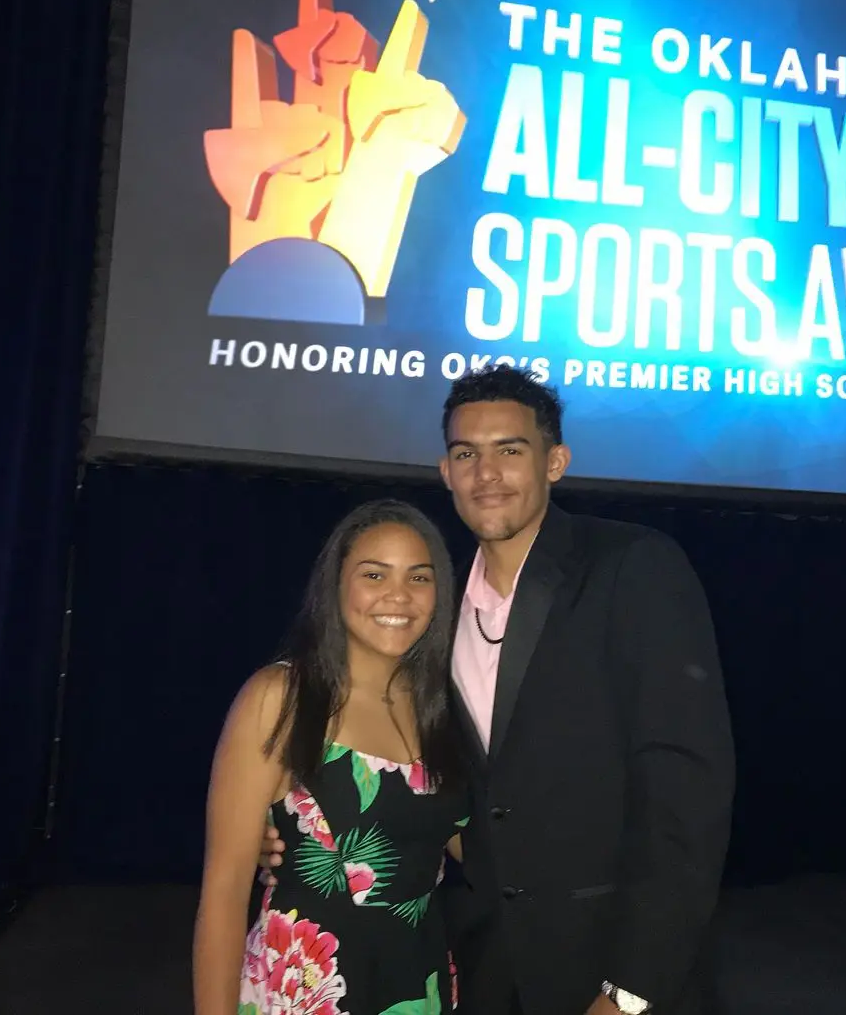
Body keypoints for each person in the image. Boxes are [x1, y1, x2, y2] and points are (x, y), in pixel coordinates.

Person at [261, 365, 735, 1015]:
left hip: (611, 966)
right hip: (482, 965)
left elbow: (685, 799)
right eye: (467, 454)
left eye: (509, 450)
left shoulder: (632, 567)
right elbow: (430, 787)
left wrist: (630, 989)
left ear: (555, 462)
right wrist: (294, 832)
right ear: (446, 471)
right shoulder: (435, 610)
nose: (486, 473)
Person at [194, 499, 467, 1015]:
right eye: (374, 573)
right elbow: (224, 891)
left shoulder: (445, 712)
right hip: (304, 987)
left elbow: (474, 846)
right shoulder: (282, 697)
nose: (398, 596)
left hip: (415, 984)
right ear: (336, 585)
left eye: (419, 577)